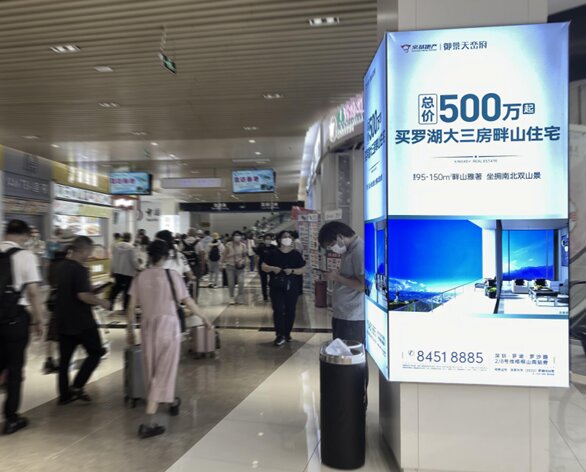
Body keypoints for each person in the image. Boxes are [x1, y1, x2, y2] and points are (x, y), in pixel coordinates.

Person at [126, 240, 211, 439]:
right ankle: (149, 422)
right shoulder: (172, 275)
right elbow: (188, 301)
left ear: (149, 255)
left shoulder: (140, 277)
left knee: (152, 370)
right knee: (164, 371)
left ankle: (171, 401)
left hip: (147, 327)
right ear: (166, 256)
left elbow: (130, 307)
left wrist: (129, 329)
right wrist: (205, 318)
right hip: (168, 327)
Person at [0, 220, 44, 435]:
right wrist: (39, 320)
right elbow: (33, 293)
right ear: (25, 235)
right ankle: (11, 419)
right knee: (15, 369)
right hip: (15, 320)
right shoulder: (26, 256)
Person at [55, 236, 110, 405]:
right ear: (83, 250)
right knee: (96, 352)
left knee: (64, 361)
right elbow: (83, 295)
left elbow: (72, 290)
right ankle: (77, 386)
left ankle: (64, 395)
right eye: (89, 251)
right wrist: (102, 302)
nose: (90, 255)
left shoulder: (61, 266)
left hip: (64, 320)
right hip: (82, 322)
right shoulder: (79, 269)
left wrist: (92, 290)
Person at [318, 222, 365, 344]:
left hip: (352, 317)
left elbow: (363, 286)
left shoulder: (359, 251)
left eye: (331, 245)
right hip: (343, 312)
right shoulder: (349, 250)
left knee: (348, 352)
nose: (332, 249)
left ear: (340, 236)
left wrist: (337, 277)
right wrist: (336, 274)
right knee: (340, 350)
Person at [262, 231, 306, 346]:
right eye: (284, 237)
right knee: (278, 309)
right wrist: (273, 268)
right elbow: (263, 266)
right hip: (276, 285)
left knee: (290, 310)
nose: (287, 238)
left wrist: (292, 271)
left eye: (289, 237)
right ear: (279, 239)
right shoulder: (272, 253)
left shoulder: (296, 254)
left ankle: (287, 333)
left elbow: (303, 269)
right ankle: (279, 334)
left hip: (292, 286)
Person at [43, 230, 75, 375]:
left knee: (52, 330)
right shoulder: (68, 264)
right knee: (63, 331)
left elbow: (49, 280)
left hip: (53, 299)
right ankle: (63, 360)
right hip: (65, 301)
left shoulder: (53, 262)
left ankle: (49, 360)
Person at [109, 233, 140, 312]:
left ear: (123, 237)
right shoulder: (131, 248)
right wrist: (138, 268)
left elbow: (113, 259)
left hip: (117, 272)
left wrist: (112, 270)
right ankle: (125, 308)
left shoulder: (116, 246)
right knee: (127, 291)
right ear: (130, 238)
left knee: (116, 288)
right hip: (128, 273)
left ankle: (110, 304)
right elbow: (134, 261)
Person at [221, 230, 247, 304]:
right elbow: (224, 255)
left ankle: (240, 296)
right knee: (231, 282)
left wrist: (242, 261)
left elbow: (244, 256)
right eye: (235, 235)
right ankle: (231, 297)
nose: (237, 237)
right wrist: (221, 264)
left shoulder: (243, 245)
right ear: (233, 237)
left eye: (238, 235)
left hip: (240, 266)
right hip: (230, 266)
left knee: (241, 281)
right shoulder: (228, 245)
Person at [255, 233, 276, 302]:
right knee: (263, 282)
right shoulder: (261, 247)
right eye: (267, 239)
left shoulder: (274, 247)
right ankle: (265, 296)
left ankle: (272, 294)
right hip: (262, 267)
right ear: (264, 240)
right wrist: (257, 268)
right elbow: (257, 257)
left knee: (272, 282)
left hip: (272, 267)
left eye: (269, 239)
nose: (268, 240)